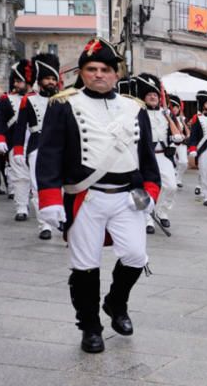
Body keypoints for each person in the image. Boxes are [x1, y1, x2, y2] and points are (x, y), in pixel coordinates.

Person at [35, 38, 161, 354]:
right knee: (85, 265)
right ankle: (90, 327)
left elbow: (147, 157)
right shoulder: (63, 104)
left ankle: (117, 302)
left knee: (135, 255)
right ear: (83, 72)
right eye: (92, 69)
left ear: (116, 74)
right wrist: (50, 199)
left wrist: (151, 192)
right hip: (85, 196)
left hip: (128, 196)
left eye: (105, 69)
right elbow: (50, 154)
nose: (99, 75)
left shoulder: (135, 108)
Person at [13, 52, 60, 239]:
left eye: (53, 79)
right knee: (38, 186)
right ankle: (45, 225)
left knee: (62, 188)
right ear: (40, 81)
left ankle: (61, 220)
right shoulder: (28, 100)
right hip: (36, 146)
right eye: (47, 78)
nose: (50, 82)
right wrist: (17, 149)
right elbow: (19, 127)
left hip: (59, 147)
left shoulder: (63, 99)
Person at [133, 73, 177, 233]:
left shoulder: (166, 114)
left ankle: (162, 211)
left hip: (163, 154)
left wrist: (173, 143)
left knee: (171, 186)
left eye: (155, 95)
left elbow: (173, 132)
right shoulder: (138, 112)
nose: (153, 97)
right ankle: (147, 218)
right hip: (145, 156)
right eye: (149, 94)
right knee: (145, 187)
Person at [0, 59, 34, 219]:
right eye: (16, 81)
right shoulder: (6, 100)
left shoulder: (37, 99)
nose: (18, 84)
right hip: (15, 144)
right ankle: (22, 208)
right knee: (19, 178)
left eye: (21, 81)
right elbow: (0, 121)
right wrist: (0, 139)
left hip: (36, 144)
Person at [187, 90, 207, 206]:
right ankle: (206, 195)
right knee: (205, 171)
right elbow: (194, 134)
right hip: (203, 148)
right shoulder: (197, 118)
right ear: (203, 105)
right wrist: (193, 148)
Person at [167, 95, 189, 188]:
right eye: (173, 107)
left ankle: (178, 178)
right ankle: (173, 177)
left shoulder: (183, 119)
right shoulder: (167, 117)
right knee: (172, 162)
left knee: (184, 162)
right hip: (171, 142)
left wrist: (185, 135)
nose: (175, 109)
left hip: (181, 143)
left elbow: (187, 132)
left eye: (177, 107)